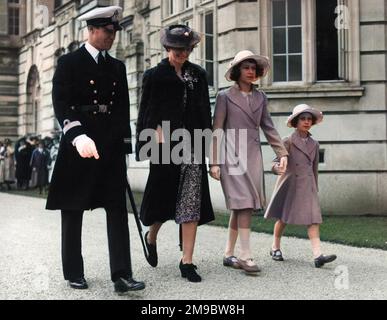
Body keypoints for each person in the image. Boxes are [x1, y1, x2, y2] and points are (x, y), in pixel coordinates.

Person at [46, 6, 145, 293]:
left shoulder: (117, 67)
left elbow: (123, 108)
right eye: (107, 31)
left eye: (114, 32)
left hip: (110, 146)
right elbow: (61, 103)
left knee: (116, 209)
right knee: (73, 208)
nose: (111, 37)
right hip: (80, 143)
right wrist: (76, 135)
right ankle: (74, 272)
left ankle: (122, 275)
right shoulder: (69, 63)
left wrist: (125, 148)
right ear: (91, 30)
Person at [135, 24, 214, 282]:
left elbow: (204, 111)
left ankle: (187, 261)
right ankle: (152, 235)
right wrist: (152, 135)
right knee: (163, 202)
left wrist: (208, 146)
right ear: (168, 47)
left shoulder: (199, 75)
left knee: (190, 203)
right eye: (177, 48)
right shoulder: (155, 76)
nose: (182, 53)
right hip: (165, 147)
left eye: (186, 49)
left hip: (193, 146)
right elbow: (145, 111)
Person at [210, 50, 288, 274]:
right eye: (246, 67)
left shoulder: (261, 97)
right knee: (243, 203)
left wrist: (281, 153)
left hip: (253, 155)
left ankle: (228, 254)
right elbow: (217, 130)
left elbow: (269, 127)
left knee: (241, 205)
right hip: (231, 155)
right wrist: (214, 162)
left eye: (254, 68)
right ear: (237, 72)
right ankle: (245, 255)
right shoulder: (224, 97)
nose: (251, 71)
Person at [264, 104, 337, 268]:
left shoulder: (315, 144)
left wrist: (314, 187)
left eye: (309, 119)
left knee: (313, 220)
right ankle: (275, 247)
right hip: (290, 184)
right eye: (303, 119)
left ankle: (318, 255)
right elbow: (274, 163)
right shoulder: (287, 141)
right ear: (296, 122)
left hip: (308, 185)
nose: (306, 122)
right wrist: (277, 168)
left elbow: (314, 168)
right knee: (283, 218)